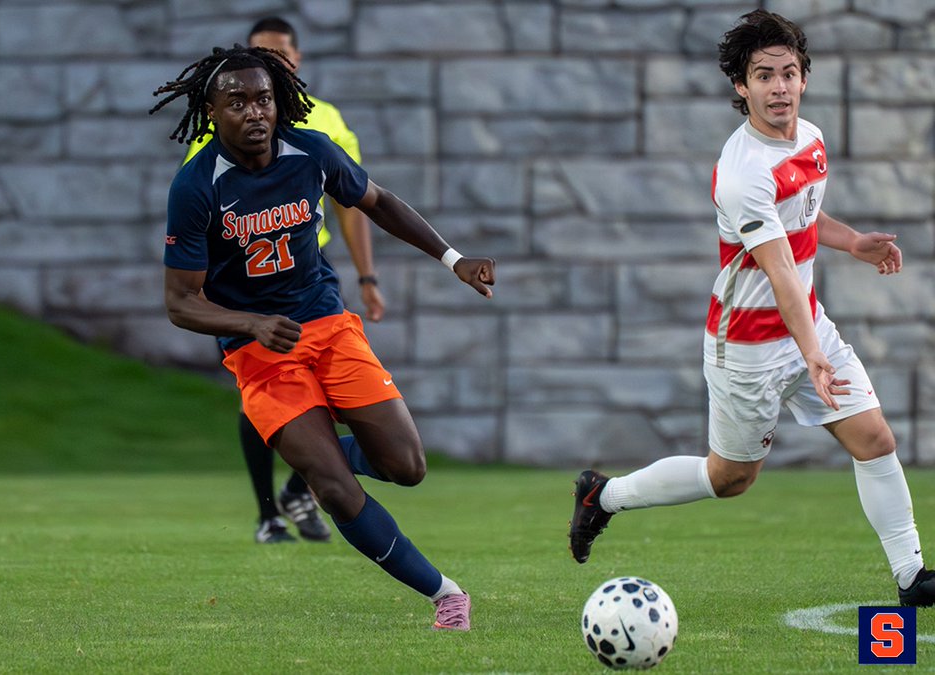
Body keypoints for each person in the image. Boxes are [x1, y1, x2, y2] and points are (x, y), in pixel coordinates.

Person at [568, 9, 935, 607]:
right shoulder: (742, 174)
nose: (779, 87)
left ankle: (911, 578)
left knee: (875, 440)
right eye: (764, 76)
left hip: (805, 328)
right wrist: (813, 354)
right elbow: (780, 268)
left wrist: (853, 242)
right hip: (746, 346)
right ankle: (601, 496)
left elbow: (805, 226)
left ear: (804, 78)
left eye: (789, 73)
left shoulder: (811, 139)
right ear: (742, 87)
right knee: (730, 479)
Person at [150, 45, 495, 630]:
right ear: (212, 112)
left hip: (330, 328)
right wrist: (249, 324)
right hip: (260, 353)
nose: (254, 112)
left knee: (408, 466)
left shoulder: (309, 151)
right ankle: (446, 595)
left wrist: (452, 259)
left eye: (263, 98)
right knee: (333, 488)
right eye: (237, 102)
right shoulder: (195, 186)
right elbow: (181, 303)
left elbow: (377, 201)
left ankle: (323, 455)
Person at [181, 17, 385, 545]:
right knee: (264, 403)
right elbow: (201, 207)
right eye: (260, 55)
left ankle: (304, 483)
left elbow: (355, 202)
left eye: (280, 56)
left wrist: (367, 275)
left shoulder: (325, 124)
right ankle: (269, 511)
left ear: (295, 60)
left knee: (338, 394)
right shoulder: (216, 133)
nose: (272, 65)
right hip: (247, 287)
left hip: (311, 279)